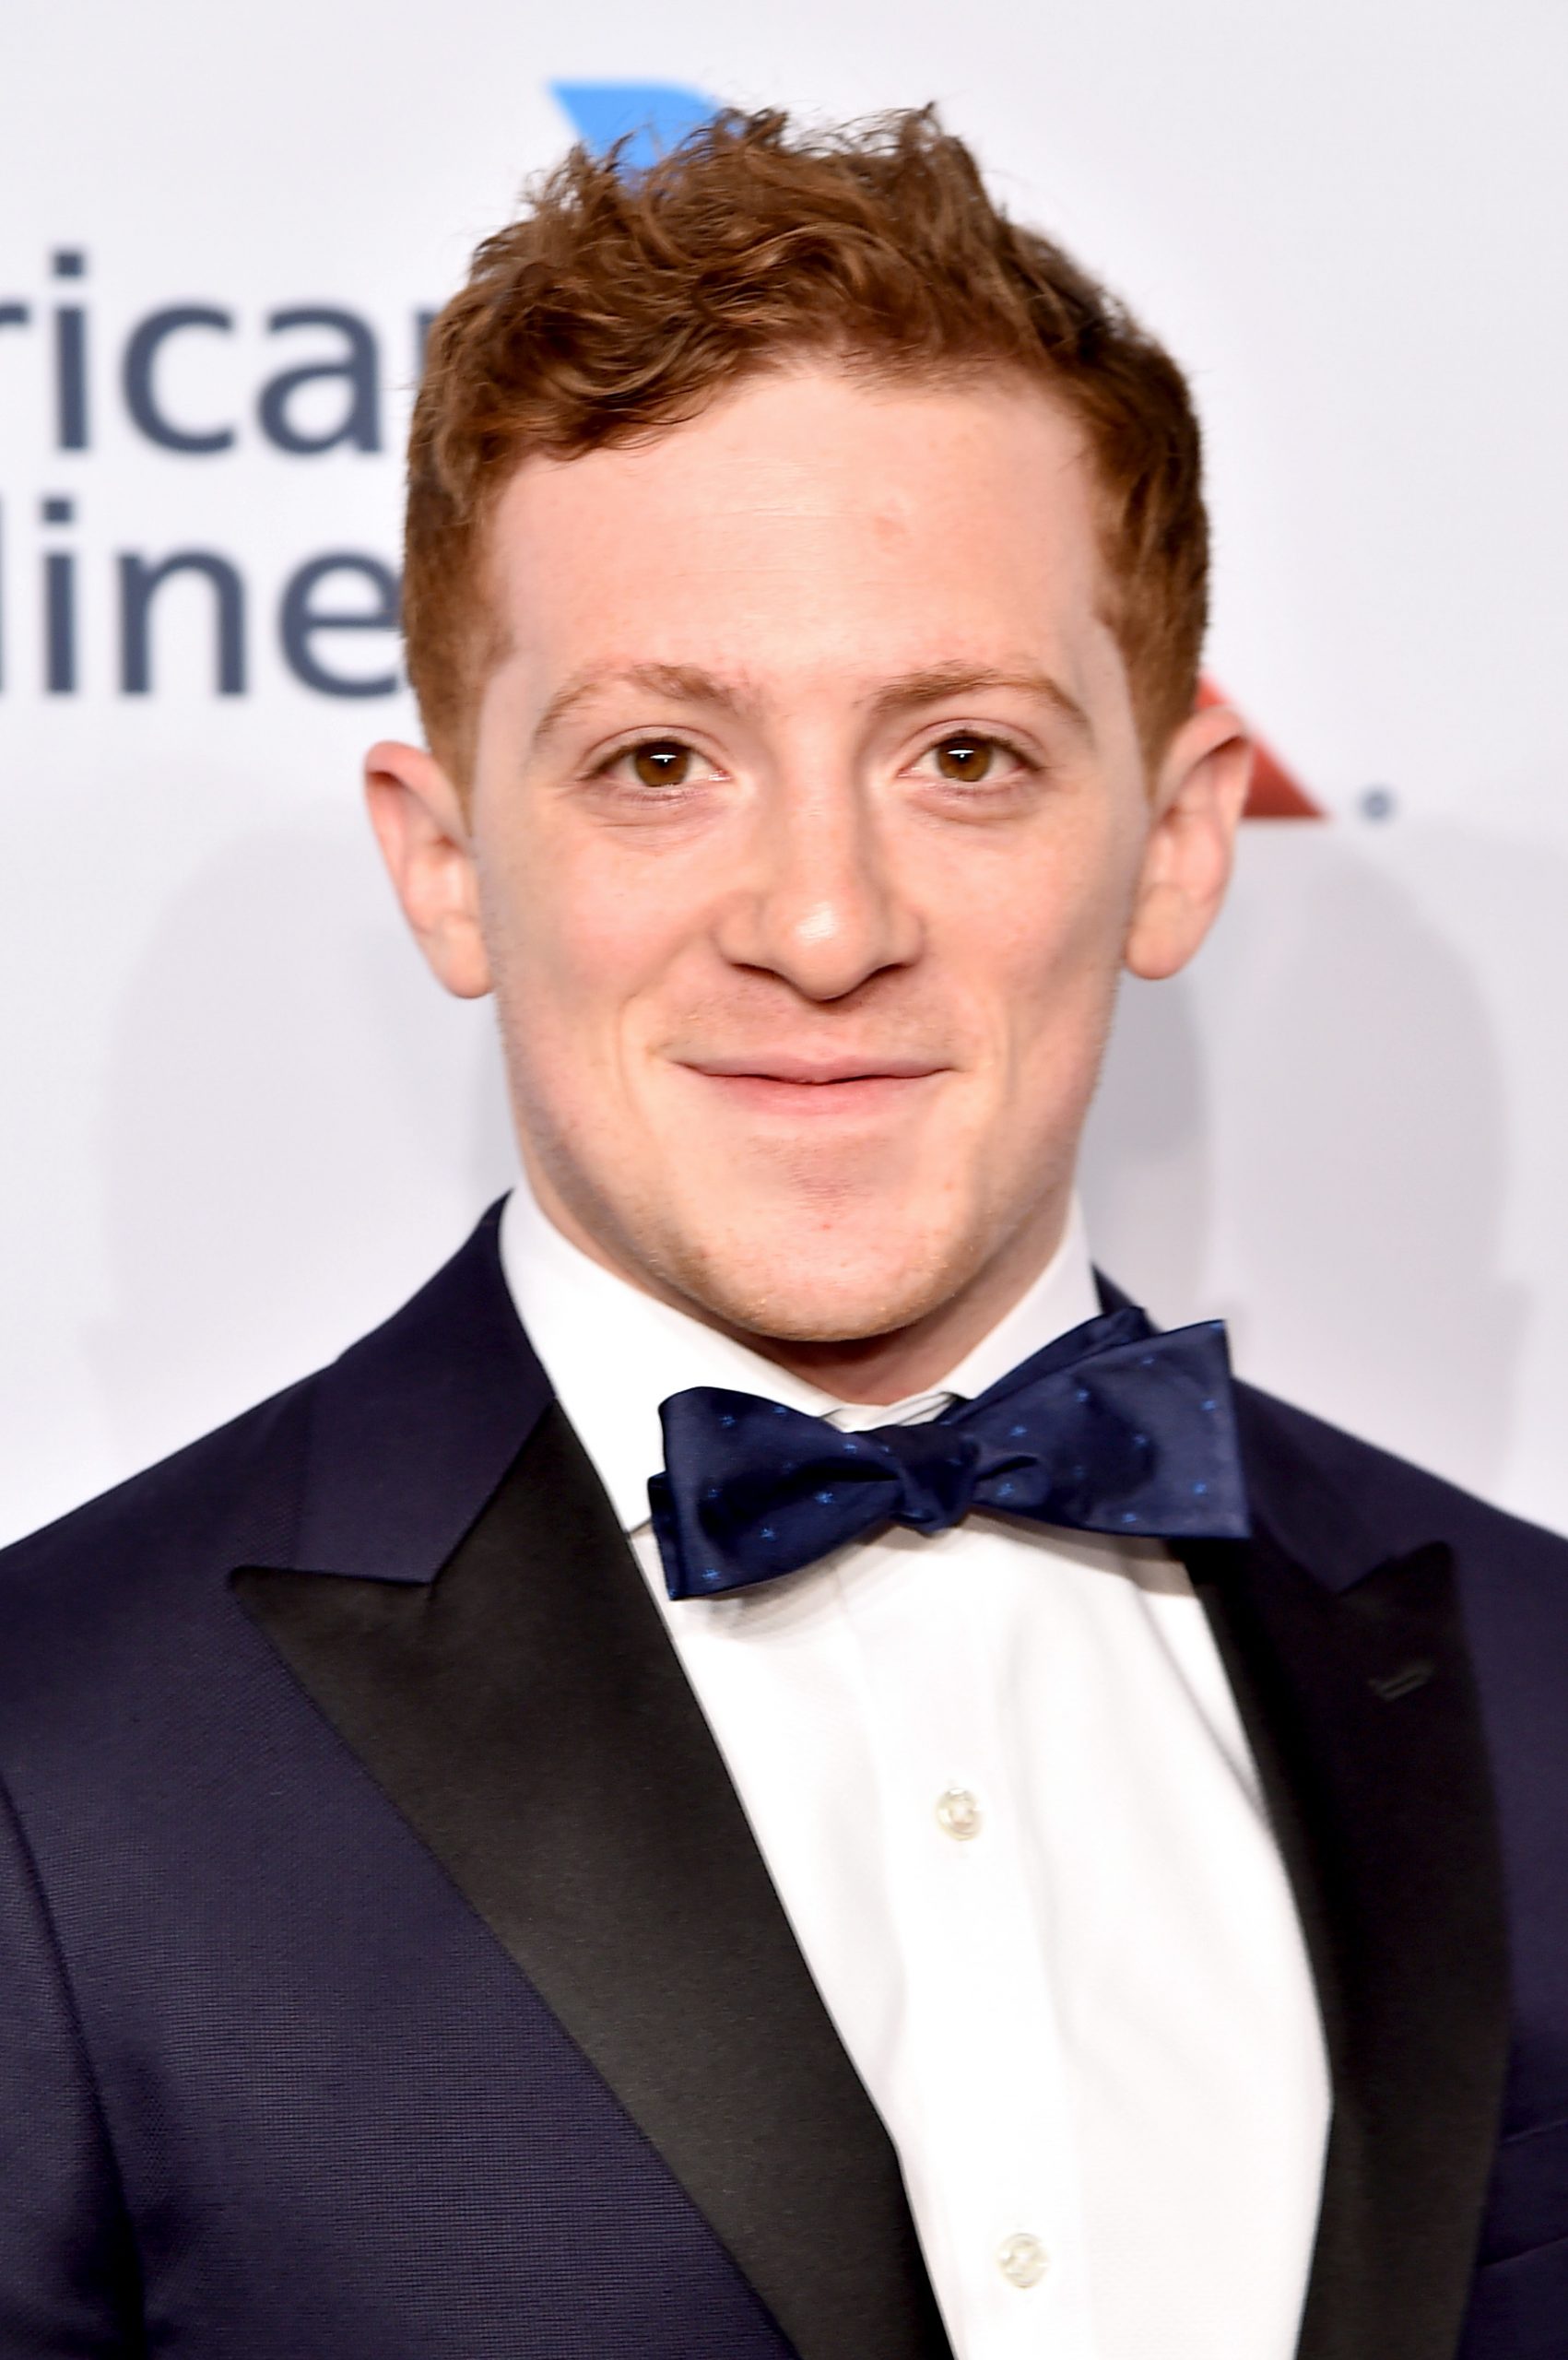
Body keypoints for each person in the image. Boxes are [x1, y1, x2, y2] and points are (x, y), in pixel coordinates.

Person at [0, 107, 1562, 2360]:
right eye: (658, 761)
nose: (822, 923)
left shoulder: (1536, 1678)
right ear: (444, 862)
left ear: (1176, 837)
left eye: (962, 755)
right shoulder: (52, 1763)